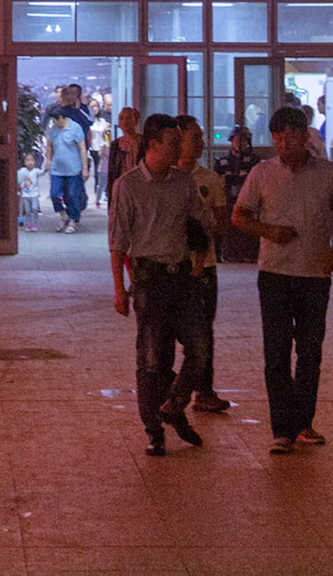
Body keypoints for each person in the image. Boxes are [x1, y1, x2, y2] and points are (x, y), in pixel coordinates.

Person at [233, 106, 333, 453]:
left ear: (305, 136)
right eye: (277, 137)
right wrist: (268, 231)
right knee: (276, 354)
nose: (283, 143)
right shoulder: (262, 173)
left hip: (314, 274)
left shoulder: (328, 174)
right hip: (274, 273)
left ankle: (303, 422)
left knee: (309, 352)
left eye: (289, 136)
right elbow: (239, 216)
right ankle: (282, 428)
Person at [109, 113, 211, 454]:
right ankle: (154, 430)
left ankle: (173, 405)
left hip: (182, 275)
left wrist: (198, 261)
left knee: (199, 351)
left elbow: (199, 224)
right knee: (152, 359)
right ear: (152, 145)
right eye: (173, 142)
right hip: (149, 278)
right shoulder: (128, 185)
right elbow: (118, 240)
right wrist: (119, 288)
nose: (180, 148)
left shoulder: (183, 183)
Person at [176, 117, 231, 414]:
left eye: (201, 137)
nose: (201, 143)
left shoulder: (209, 179)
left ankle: (204, 391)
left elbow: (222, 224)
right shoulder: (164, 178)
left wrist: (204, 221)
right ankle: (171, 389)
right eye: (194, 137)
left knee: (203, 332)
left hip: (204, 266)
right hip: (171, 266)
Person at [216, 125, 261, 263]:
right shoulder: (222, 161)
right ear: (231, 140)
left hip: (248, 200)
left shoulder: (253, 161)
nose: (240, 143)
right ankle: (229, 252)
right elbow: (219, 182)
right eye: (237, 140)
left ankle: (249, 253)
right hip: (229, 199)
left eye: (244, 140)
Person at [47, 111, 89, 232]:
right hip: (57, 169)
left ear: (60, 117)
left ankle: (72, 220)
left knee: (72, 195)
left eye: (54, 120)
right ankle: (63, 214)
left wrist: (85, 168)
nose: (53, 123)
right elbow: (49, 144)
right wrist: (48, 160)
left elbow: (82, 149)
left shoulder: (75, 128)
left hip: (73, 169)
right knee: (54, 194)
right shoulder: (54, 130)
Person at [107, 108, 141, 201]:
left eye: (129, 118)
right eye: (121, 118)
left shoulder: (143, 142)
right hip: (121, 189)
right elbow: (112, 172)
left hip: (140, 187)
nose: (125, 121)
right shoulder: (115, 145)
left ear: (136, 120)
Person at [18, 152, 42, 231]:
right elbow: (18, 179)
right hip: (25, 194)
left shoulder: (36, 171)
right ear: (24, 162)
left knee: (35, 208)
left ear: (35, 162)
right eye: (27, 160)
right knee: (27, 210)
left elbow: (43, 172)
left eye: (32, 160)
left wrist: (47, 166)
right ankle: (28, 224)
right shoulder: (22, 171)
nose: (30, 162)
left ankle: (34, 223)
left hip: (34, 194)